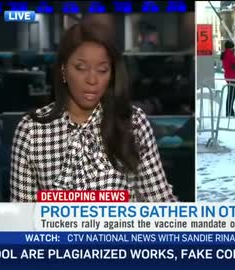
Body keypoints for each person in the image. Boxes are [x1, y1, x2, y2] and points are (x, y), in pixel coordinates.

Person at [10, 21, 177, 202]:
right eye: (81, 68)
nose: (92, 79)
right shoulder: (31, 131)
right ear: (63, 70)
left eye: (102, 70)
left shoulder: (133, 123)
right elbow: (22, 217)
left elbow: (161, 202)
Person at [220, 40, 235, 117]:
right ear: (231, 47)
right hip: (232, 77)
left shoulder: (227, 54)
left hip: (230, 76)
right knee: (231, 95)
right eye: (233, 47)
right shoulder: (229, 54)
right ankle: (229, 112)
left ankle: (230, 111)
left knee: (231, 95)